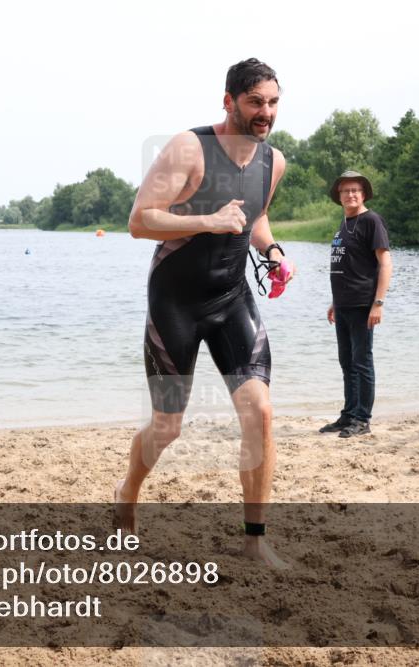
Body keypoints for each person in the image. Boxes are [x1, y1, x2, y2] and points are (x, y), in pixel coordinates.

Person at [115, 59, 294, 565]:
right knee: (167, 426)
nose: (265, 113)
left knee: (259, 412)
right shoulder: (189, 148)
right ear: (229, 100)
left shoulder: (272, 161)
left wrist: (274, 252)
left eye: (273, 102)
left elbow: (256, 216)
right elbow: (139, 221)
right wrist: (209, 220)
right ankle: (127, 493)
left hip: (231, 298)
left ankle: (255, 539)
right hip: (175, 303)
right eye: (256, 101)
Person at [319, 171, 392, 437]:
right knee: (347, 361)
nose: (350, 195)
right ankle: (348, 414)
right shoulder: (344, 223)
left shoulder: (371, 221)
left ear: (363, 194)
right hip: (344, 305)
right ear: (339, 196)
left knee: (362, 361)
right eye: (345, 191)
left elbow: (385, 263)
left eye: (355, 191)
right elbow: (347, 266)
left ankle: (362, 419)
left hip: (364, 304)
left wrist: (378, 303)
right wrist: (335, 302)